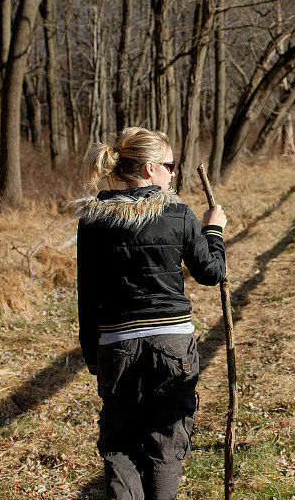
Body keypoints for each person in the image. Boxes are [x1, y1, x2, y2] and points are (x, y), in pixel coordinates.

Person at [73, 127, 227, 500]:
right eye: (169, 165)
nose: (173, 173)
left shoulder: (93, 220)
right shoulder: (178, 213)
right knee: (166, 444)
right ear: (148, 169)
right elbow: (211, 272)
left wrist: (94, 357)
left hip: (116, 345)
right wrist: (215, 231)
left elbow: (87, 295)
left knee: (120, 446)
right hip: (172, 345)